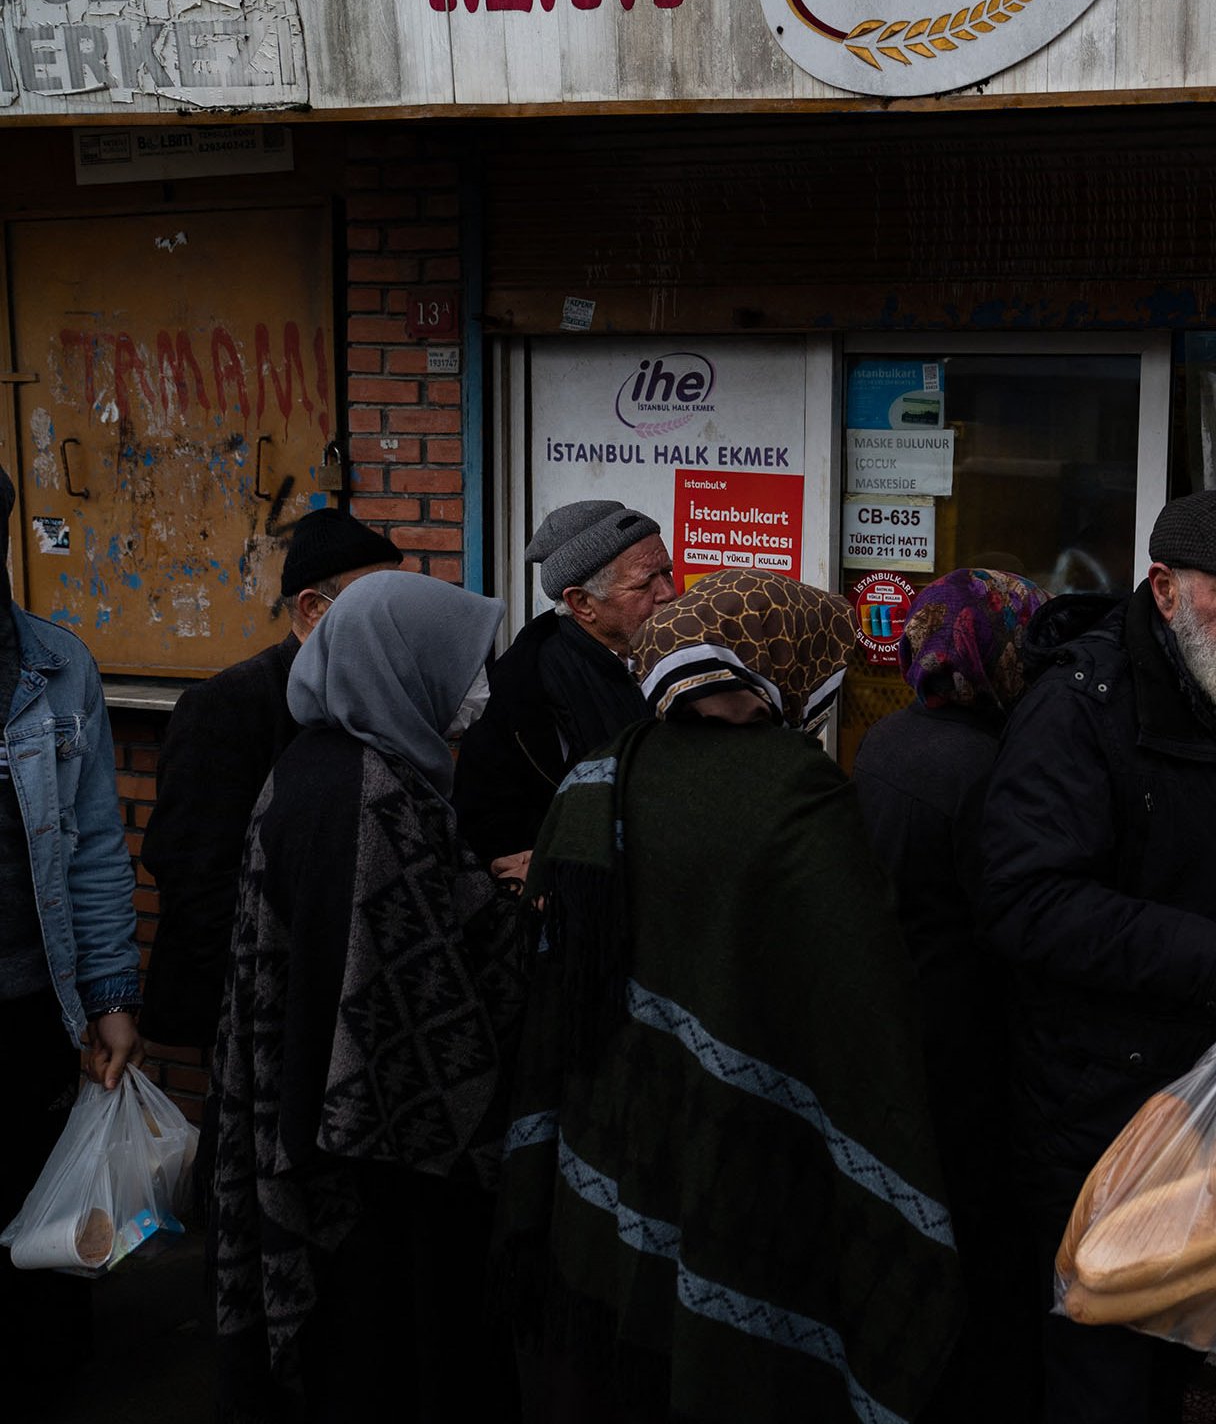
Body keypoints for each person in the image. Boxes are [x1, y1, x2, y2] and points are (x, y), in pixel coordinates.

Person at [500, 570, 963, 1424]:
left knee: (614, 1365)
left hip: (612, 1128)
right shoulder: (797, 796)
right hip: (746, 1151)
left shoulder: (600, 774)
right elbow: (862, 1008)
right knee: (729, 1360)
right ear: (786, 666)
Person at [980, 489, 1216, 1424]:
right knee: (1103, 1374)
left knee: (1171, 1362)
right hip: (1097, 1119)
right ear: (1164, 589)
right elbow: (1027, 899)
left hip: (1212, 1105)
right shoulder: (1078, 709)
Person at [211, 571, 524, 1423]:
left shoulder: (329, 760)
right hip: (371, 1174)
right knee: (383, 1356)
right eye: (463, 667)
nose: (478, 690)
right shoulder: (367, 793)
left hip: (325, 1135)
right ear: (398, 665)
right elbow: (406, 1010)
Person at [852, 568, 1049, 1424]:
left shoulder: (892, 736)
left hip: (903, 1023)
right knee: (981, 1252)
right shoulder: (986, 766)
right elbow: (1016, 918)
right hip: (968, 1040)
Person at [142, 508, 403, 1051]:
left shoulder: (373, 695)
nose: (390, 616)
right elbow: (196, 876)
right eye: (372, 598)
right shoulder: (226, 705)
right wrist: (259, 1006)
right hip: (254, 1009)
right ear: (312, 608)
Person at [0, 465, 142, 1407]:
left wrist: (109, 994)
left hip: (25, 1002)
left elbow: (91, 846)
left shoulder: (54, 666)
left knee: (34, 1211)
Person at [454, 499, 675, 872]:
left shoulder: (686, 650)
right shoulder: (521, 690)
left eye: (667, 572)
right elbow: (489, 822)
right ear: (582, 603)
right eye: (644, 584)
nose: (668, 593)